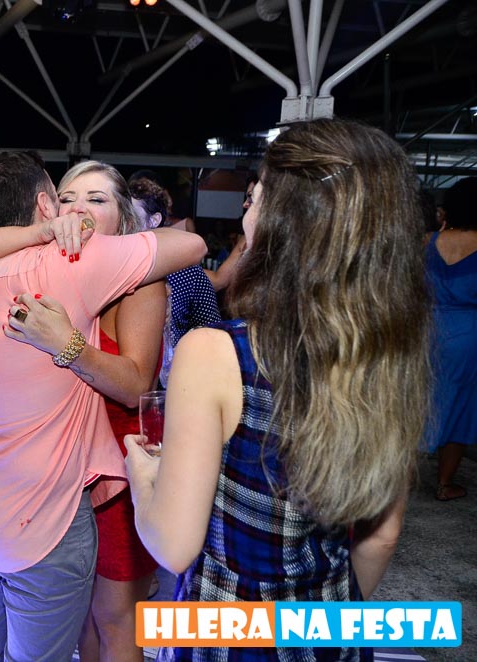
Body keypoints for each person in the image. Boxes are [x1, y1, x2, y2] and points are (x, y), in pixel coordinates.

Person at [125, 119, 432, 662]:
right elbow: (381, 537)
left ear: (281, 220)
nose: (246, 211)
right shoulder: (393, 359)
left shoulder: (216, 353)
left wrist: (143, 478)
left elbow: (172, 545)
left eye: (255, 195)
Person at [0, 150, 206, 660]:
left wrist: (70, 344)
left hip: (78, 475)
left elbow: (136, 383)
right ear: (47, 206)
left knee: (108, 619)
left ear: (124, 215)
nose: (79, 210)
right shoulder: (71, 262)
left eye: (96, 199)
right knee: (68, 631)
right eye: (67, 198)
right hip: (49, 505)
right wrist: (46, 235)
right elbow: (192, 243)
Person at [127, 173, 221, 388]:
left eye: (131, 214)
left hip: (176, 386)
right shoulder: (112, 268)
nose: (124, 222)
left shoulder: (187, 272)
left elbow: (212, 333)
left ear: (154, 220)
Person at [426, 176, 477, 502]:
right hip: (469, 334)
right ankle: (445, 484)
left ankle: (397, 479)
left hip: (424, 329)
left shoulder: (426, 241)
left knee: (415, 401)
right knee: (461, 406)